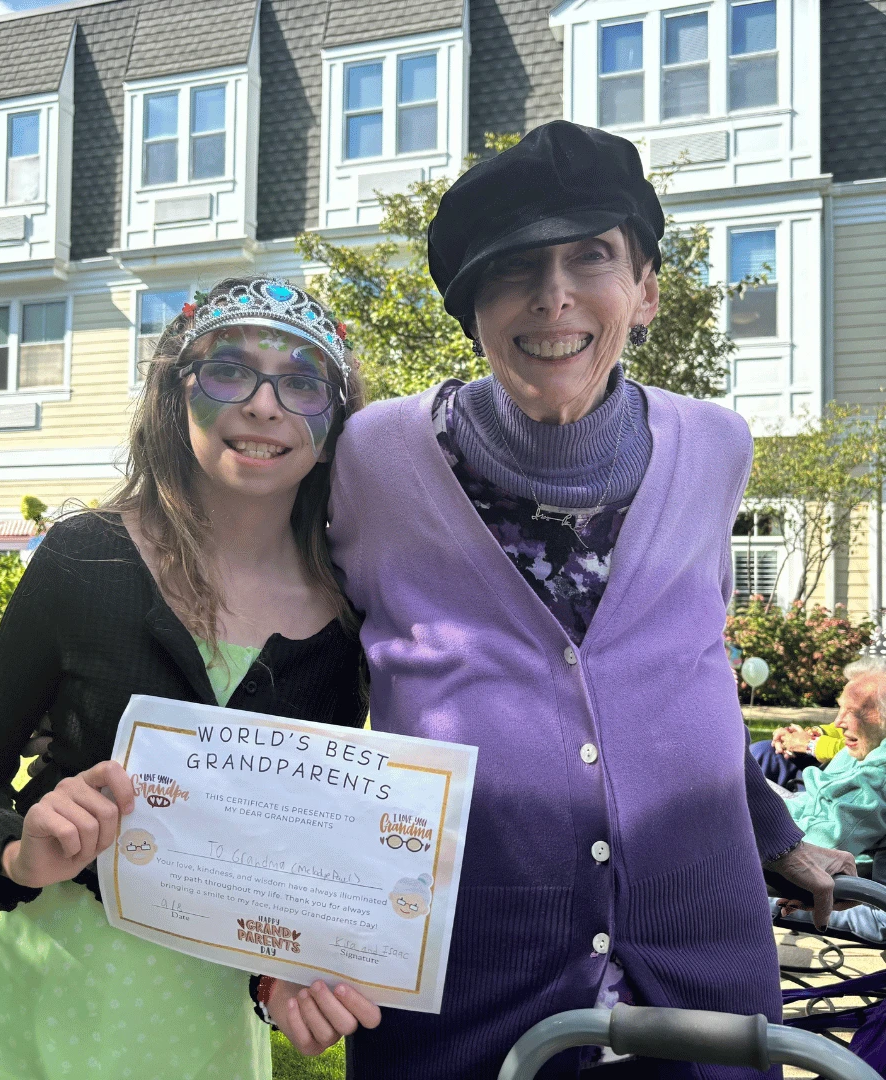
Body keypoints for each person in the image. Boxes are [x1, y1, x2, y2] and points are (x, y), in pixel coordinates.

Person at [327, 121, 857, 1079]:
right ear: (470, 308)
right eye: (513, 268)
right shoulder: (375, 457)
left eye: (590, 257)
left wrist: (777, 836)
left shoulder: (717, 448)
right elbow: (294, 650)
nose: (554, 295)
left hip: (699, 967)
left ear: (646, 289)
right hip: (463, 973)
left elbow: (679, 675)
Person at [0, 277, 380, 1080]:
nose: (265, 405)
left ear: (333, 428)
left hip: (197, 1027)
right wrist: (20, 849)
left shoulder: (348, 622)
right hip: (25, 997)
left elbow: (289, 854)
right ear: (175, 396)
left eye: (303, 382)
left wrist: (281, 978)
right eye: (228, 371)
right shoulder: (83, 558)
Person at [773, 658, 886, 942]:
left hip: (868, 903)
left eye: (853, 711)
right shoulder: (863, 749)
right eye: (840, 707)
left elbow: (822, 844)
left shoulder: (879, 772)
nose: (837, 722)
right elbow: (811, 803)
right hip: (843, 879)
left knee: (714, 893)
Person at [751, 719, 843, 791]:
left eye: (851, 712)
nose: (839, 719)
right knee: (762, 751)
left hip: (843, 774)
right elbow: (839, 728)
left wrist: (811, 744)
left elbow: (856, 750)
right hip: (820, 757)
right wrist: (810, 734)